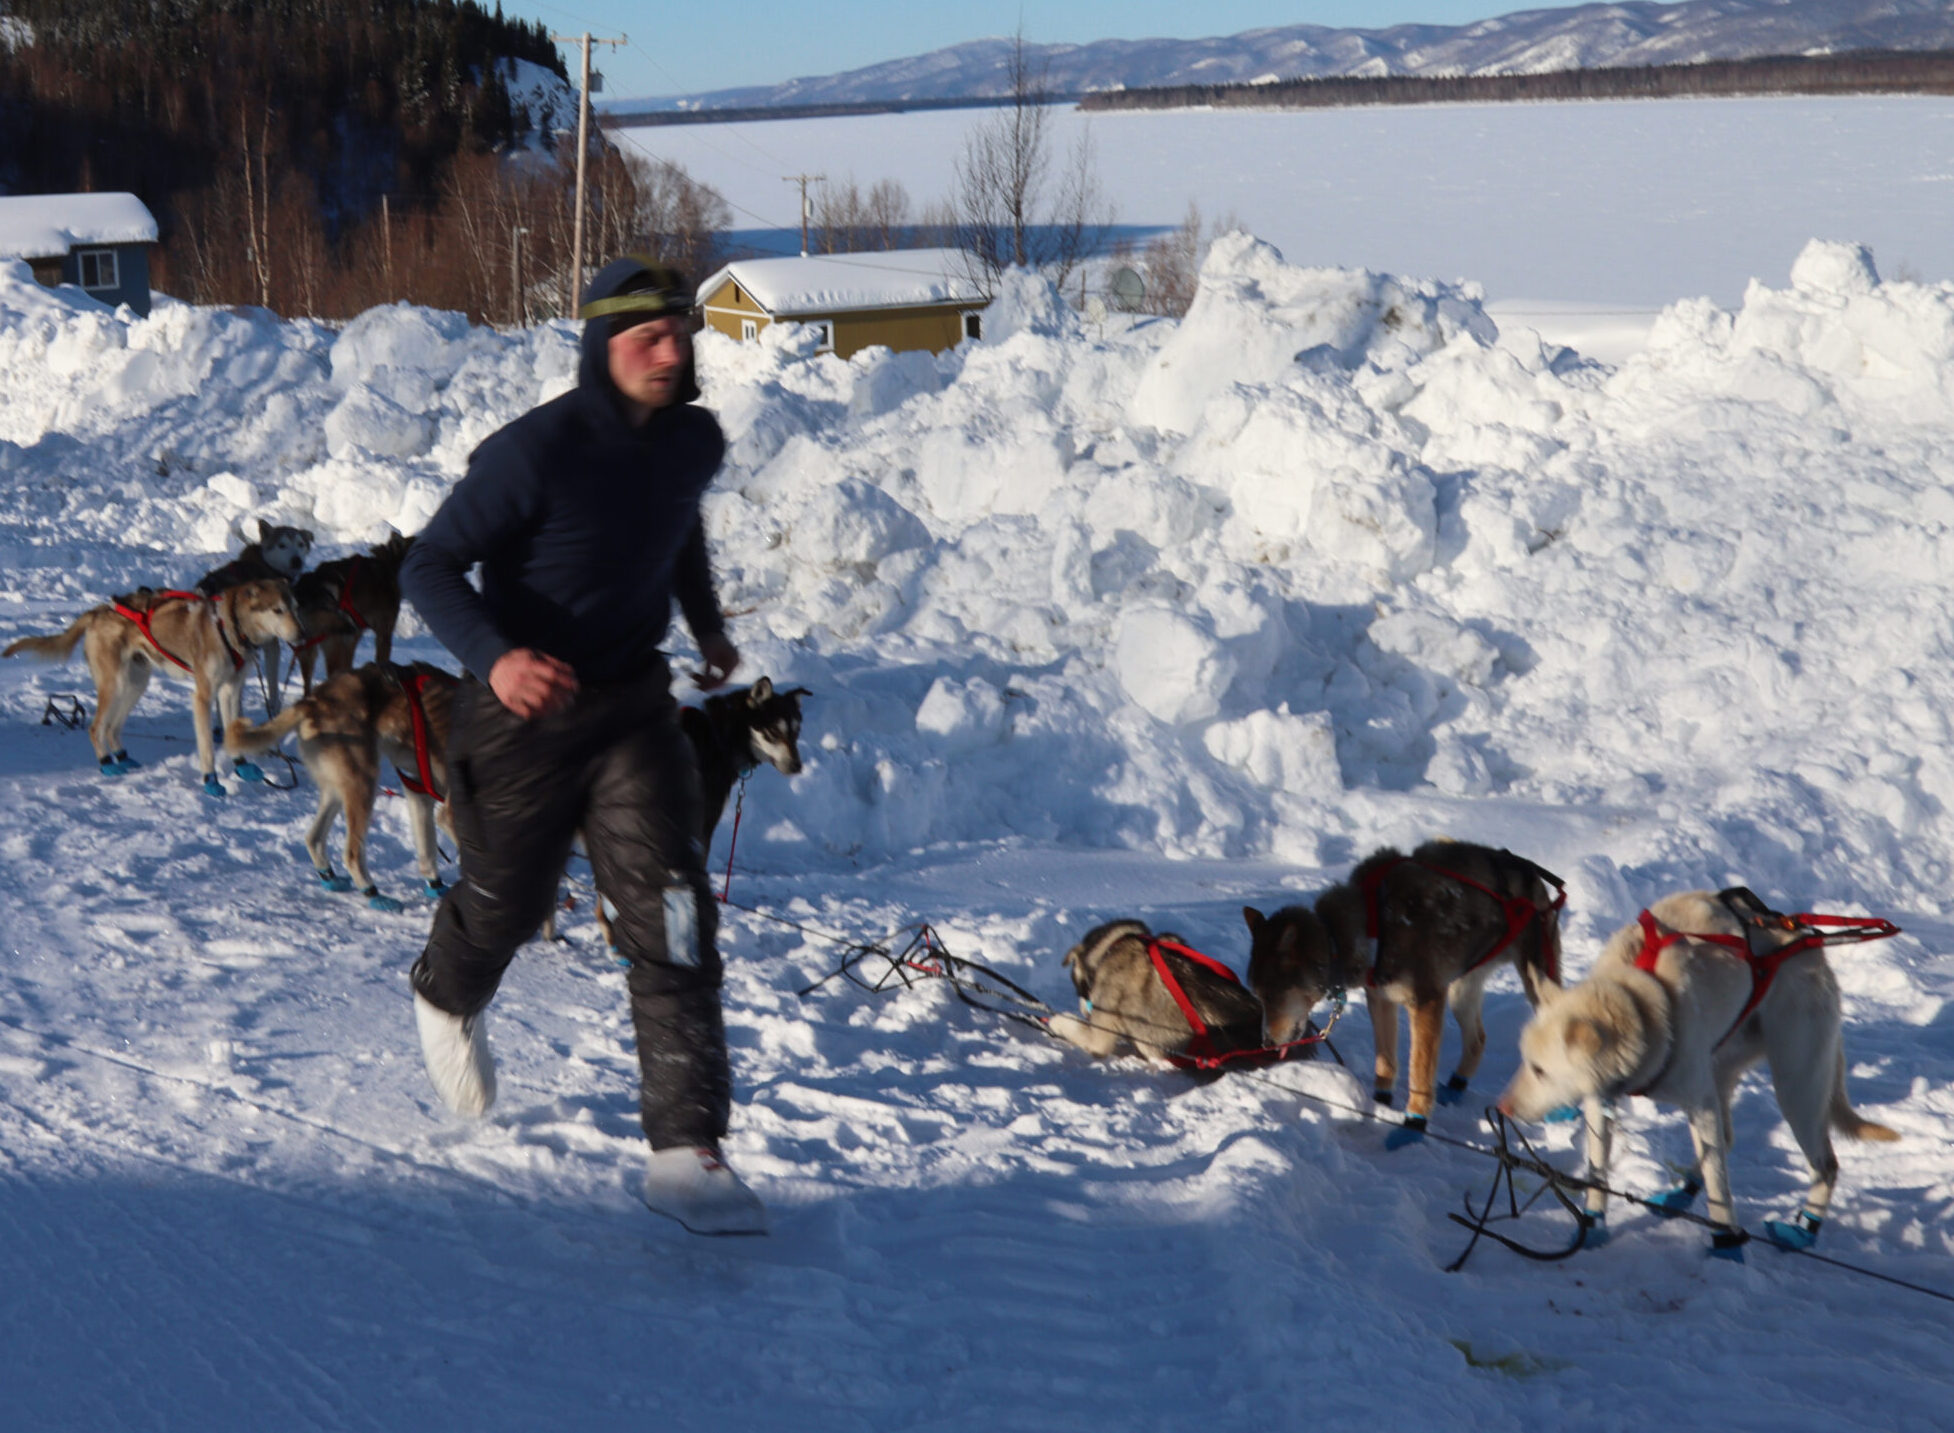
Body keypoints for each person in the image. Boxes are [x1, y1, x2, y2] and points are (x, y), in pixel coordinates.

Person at [398, 255, 764, 1236]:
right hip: (521, 717)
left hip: (633, 711)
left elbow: (674, 528)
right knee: (508, 905)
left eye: (680, 331)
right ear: (602, 346)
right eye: (647, 335)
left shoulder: (691, 440)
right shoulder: (536, 451)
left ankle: (686, 1151)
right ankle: (443, 990)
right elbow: (427, 564)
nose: (671, 348)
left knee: (673, 913)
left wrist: (707, 622)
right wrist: (497, 657)